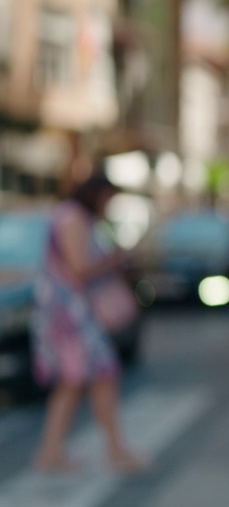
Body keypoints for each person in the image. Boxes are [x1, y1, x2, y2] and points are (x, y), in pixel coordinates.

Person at [30, 171, 147, 474]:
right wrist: (116, 260)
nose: (109, 205)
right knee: (103, 374)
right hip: (71, 316)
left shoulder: (72, 216)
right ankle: (114, 449)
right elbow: (79, 268)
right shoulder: (73, 218)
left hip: (68, 314)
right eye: (108, 198)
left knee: (72, 383)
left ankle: (52, 451)